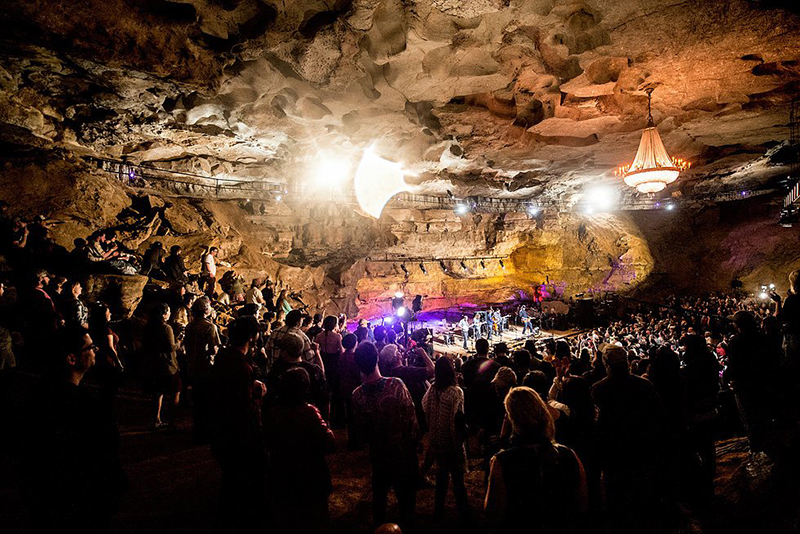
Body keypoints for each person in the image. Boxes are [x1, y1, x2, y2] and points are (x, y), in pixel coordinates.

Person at [17, 327, 127, 532]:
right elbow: (102, 446)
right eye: (90, 347)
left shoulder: (40, 396)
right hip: (78, 499)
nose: (95, 351)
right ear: (71, 359)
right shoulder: (77, 404)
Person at [484, 387, 587, 534]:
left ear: (512, 419)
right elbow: (582, 505)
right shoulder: (569, 455)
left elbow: (493, 515)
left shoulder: (503, 462)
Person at [591, 344, 663, 530]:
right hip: (641, 448)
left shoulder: (599, 389)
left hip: (614, 452)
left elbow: (598, 424)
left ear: (606, 364)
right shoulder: (644, 385)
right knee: (641, 494)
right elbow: (655, 418)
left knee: (616, 497)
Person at [352, 342, 419, 532]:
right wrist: (415, 442)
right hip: (401, 452)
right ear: (377, 359)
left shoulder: (357, 395)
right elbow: (411, 418)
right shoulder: (395, 385)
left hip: (378, 453)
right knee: (406, 498)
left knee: (379, 495)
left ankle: (379, 527)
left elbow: (361, 430)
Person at [209, 316, 267, 533]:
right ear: (252, 337)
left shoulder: (224, 358)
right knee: (243, 480)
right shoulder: (240, 367)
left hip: (222, 430)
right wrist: (257, 395)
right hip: (239, 434)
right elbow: (243, 406)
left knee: (231, 479)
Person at [263, 368, 336, 534]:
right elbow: (330, 444)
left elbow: (267, 440)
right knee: (315, 521)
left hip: (282, 476)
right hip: (311, 477)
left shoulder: (272, 413)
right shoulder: (309, 412)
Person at [422, 357, 469, 520]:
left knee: (441, 476)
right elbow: (458, 419)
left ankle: (438, 510)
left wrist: (432, 426)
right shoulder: (456, 392)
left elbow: (424, 405)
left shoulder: (433, 389)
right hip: (450, 441)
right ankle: (464, 513)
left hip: (437, 440)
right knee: (457, 480)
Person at [267, 332, 329, 421]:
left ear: (284, 352)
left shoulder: (277, 371)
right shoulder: (313, 369)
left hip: (285, 421)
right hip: (310, 420)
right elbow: (324, 398)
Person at [184, 297, 221, 443]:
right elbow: (214, 348)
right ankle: (205, 432)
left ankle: (197, 430)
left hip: (192, 366)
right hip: (206, 367)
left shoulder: (189, 326)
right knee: (207, 401)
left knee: (197, 400)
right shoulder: (209, 327)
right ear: (206, 310)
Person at [144, 302, 180, 428]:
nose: (170, 313)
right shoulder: (166, 328)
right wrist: (179, 343)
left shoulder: (148, 327)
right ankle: (172, 422)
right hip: (167, 365)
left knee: (157, 392)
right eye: (168, 311)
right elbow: (171, 347)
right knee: (175, 392)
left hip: (154, 363)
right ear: (164, 314)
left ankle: (156, 419)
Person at [89, 303, 123, 409]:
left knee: (102, 388)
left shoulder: (93, 327)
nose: (110, 314)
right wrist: (118, 362)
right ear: (103, 315)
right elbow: (110, 348)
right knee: (110, 389)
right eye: (108, 312)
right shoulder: (106, 329)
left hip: (99, 360)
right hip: (108, 362)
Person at [316, 315, 344, 425]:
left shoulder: (319, 336)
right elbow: (341, 352)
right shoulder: (337, 336)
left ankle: (325, 416)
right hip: (334, 364)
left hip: (323, 362)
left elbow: (316, 349)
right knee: (336, 390)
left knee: (325, 389)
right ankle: (337, 418)